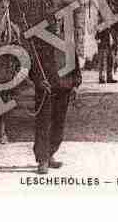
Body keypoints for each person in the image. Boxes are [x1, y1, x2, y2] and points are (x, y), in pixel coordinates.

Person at [29, 17, 82, 175]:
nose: (57, 26)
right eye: (54, 23)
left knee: (58, 124)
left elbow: (76, 67)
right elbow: (33, 68)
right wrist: (39, 81)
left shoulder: (68, 45)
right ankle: (42, 160)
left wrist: (76, 85)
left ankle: (51, 154)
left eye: (60, 23)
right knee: (44, 124)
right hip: (46, 90)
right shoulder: (40, 45)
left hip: (64, 88)